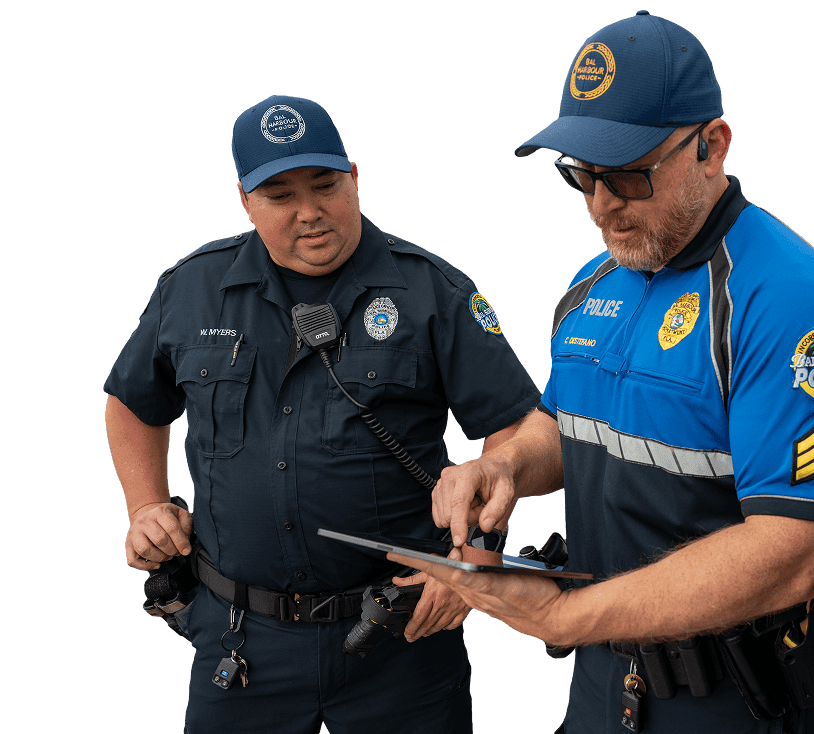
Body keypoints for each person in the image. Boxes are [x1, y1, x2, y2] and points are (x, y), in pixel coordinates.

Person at [392, 12, 814, 734]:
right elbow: (564, 426)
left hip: (725, 704)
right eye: (580, 173)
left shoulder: (784, 295)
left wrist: (567, 616)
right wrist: (505, 465)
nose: (600, 205)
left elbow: (794, 553)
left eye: (629, 175)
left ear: (712, 146)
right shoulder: (595, 282)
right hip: (599, 690)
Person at [104, 95, 541, 734]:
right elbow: (132, 402)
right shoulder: (192, 289)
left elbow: (518, 428)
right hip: (239, 639)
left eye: (325, 185)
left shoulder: (432, 292)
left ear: (355, 178)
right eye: (280, 195)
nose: (309, 211)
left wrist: (468, 558)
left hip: (403, 634)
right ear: (245, 201)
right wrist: (145, 506)